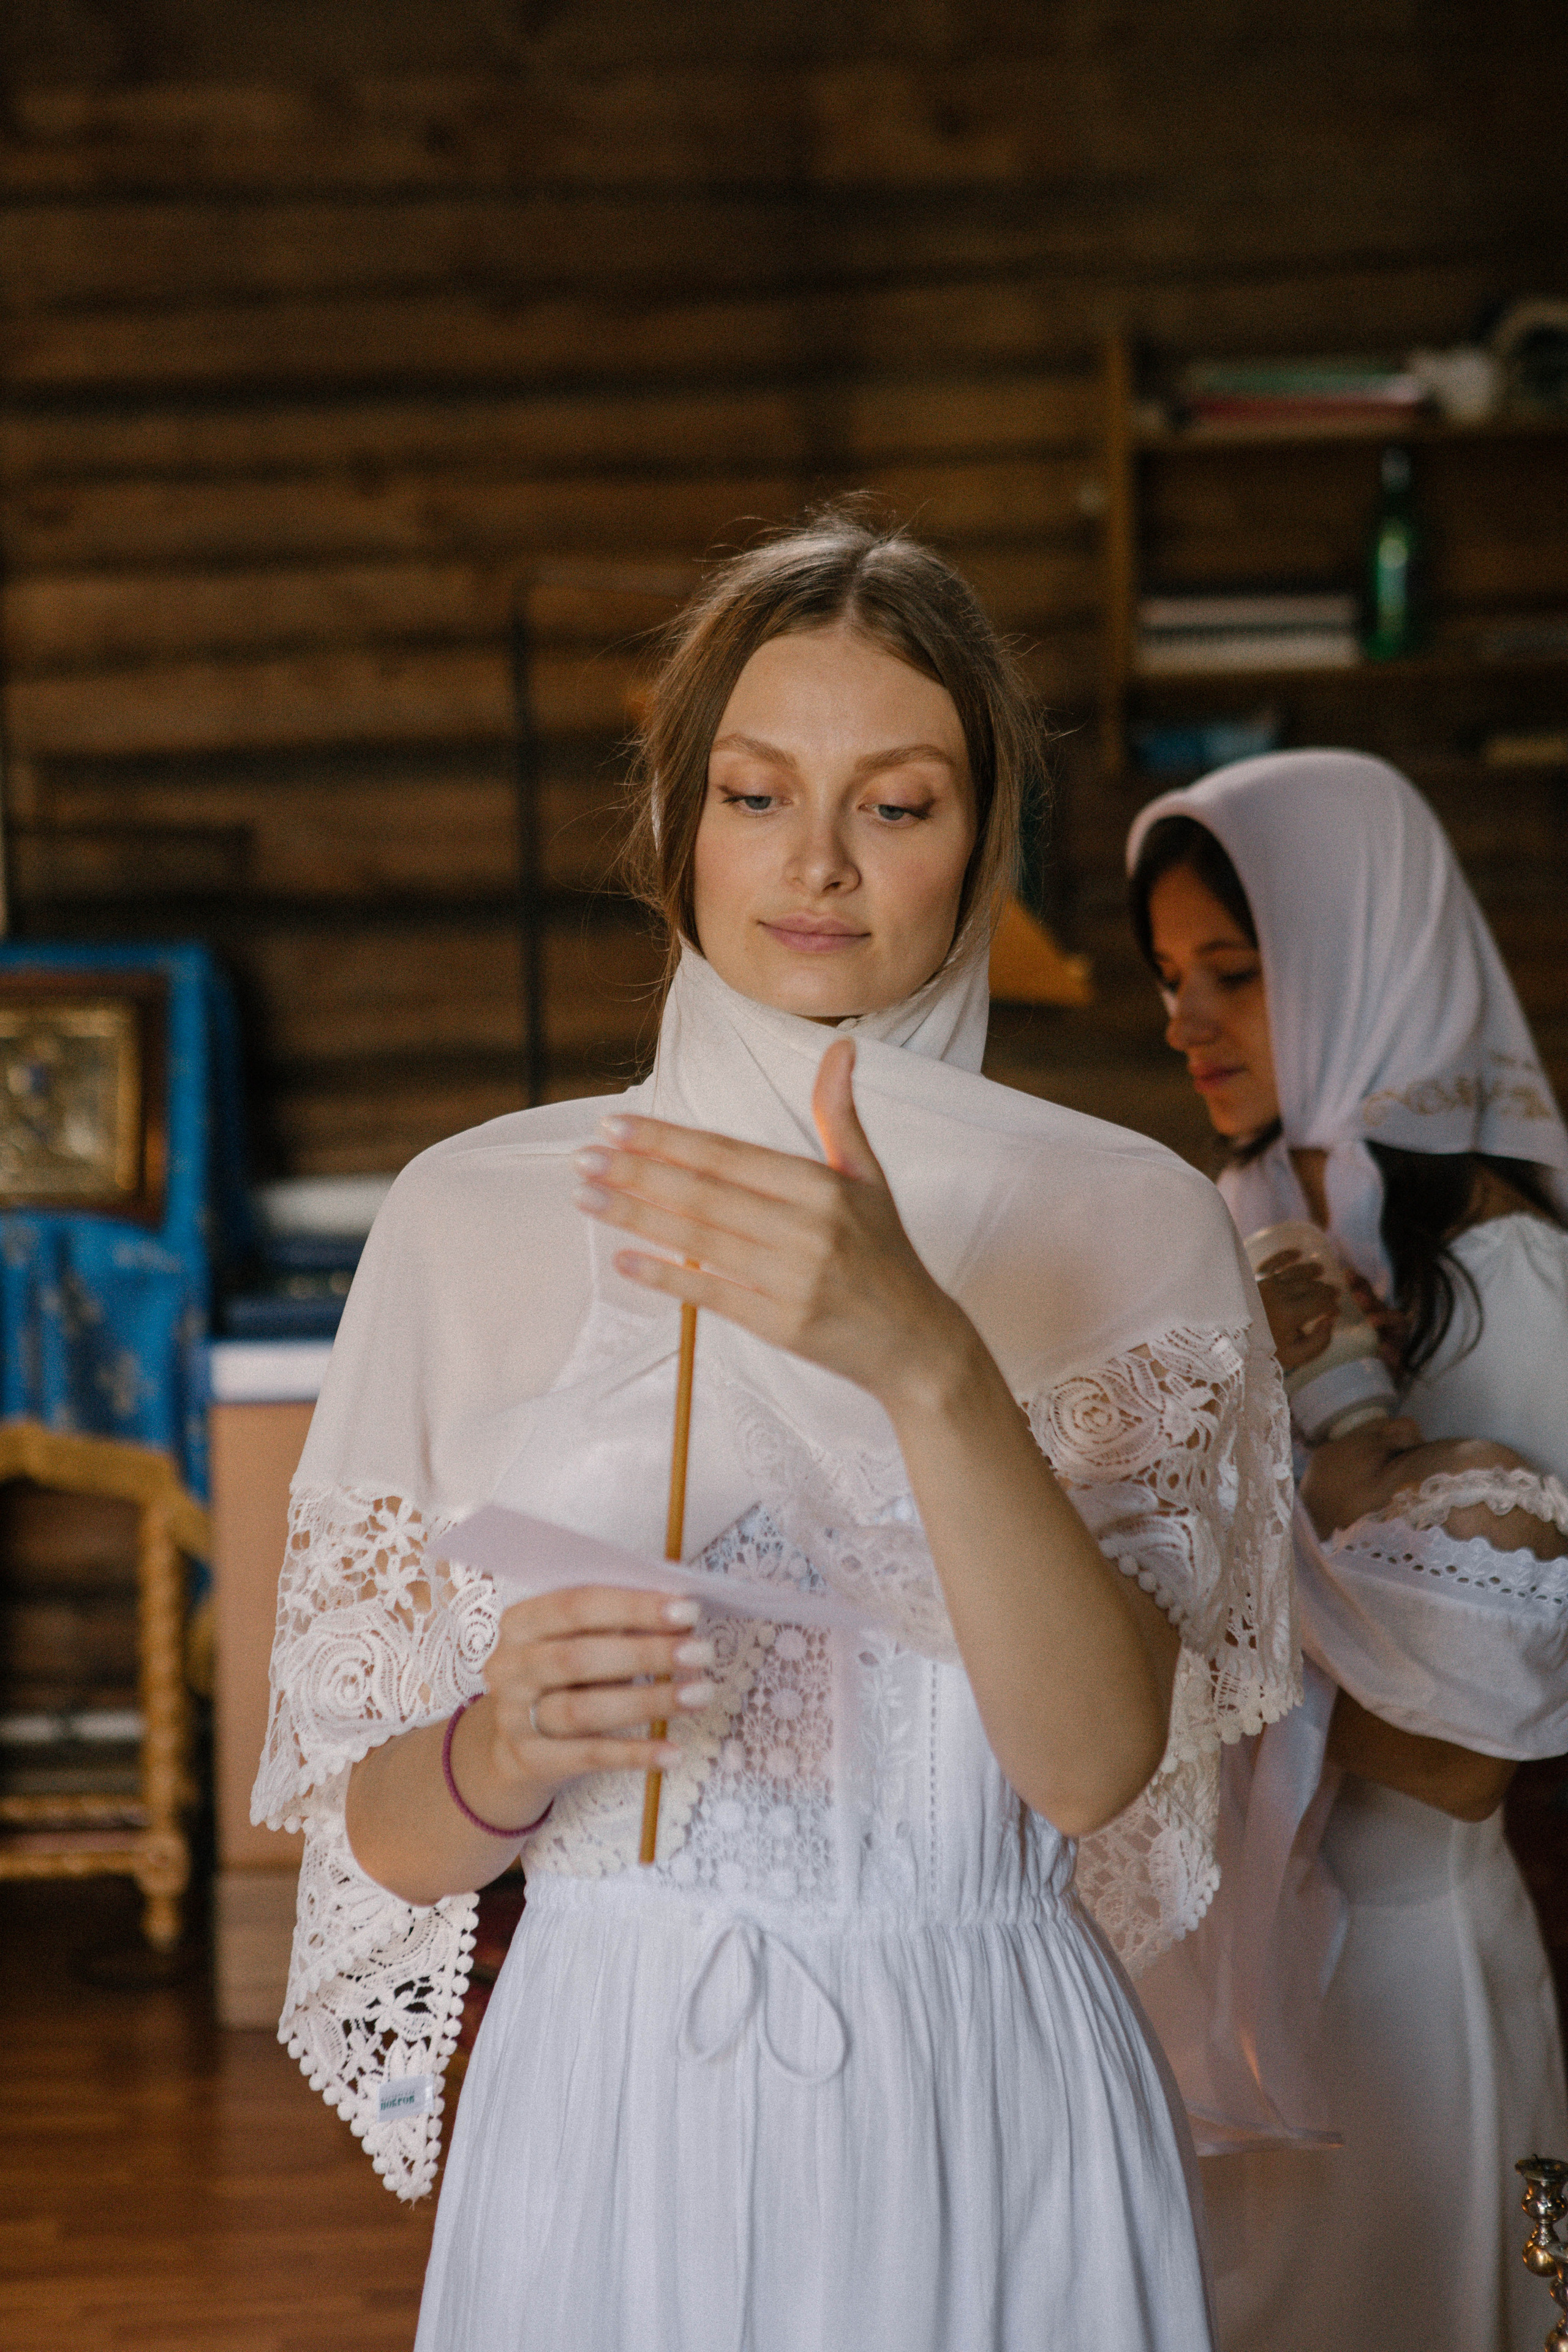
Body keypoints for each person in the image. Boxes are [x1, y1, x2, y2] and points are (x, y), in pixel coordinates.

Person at [252, 514, 1298, 2352]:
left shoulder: (1130, 1223)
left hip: (991, 2104)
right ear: (677, 822)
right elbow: (384, 1845)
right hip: (607, 2105)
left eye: (896, 805)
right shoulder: (470, 1217)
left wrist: (927, 1359)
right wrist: (505, 1744)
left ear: (984, 841)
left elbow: (1092, 1775)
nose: (817, 863)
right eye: (755, 797)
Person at [1125, 748, 1568, 2352]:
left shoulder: (1510, 1283)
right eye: (1170, 977)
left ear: (1363, 957)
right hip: (1210, 1948)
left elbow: (1463, 1728)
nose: (1185, 1021)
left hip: (1397, 1955)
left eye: (1236, 973)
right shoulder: (1223, 1221)